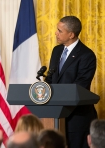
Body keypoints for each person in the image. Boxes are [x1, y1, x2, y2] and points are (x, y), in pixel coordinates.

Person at [44, 16, 97, 148]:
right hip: (54, 116)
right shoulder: (56, 51)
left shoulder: (87, 55)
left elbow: (81, 86)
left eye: (59, 31)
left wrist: (57, 95)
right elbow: (51, 78)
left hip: (76, 118)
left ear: (71, 34)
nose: (56, 33)